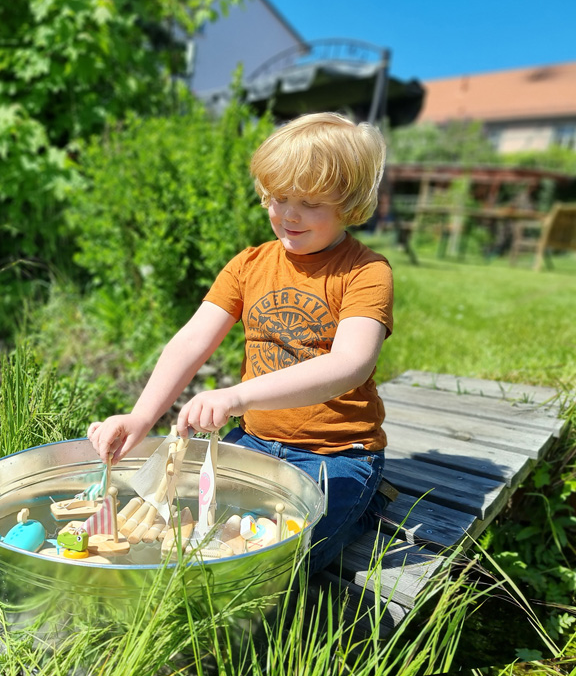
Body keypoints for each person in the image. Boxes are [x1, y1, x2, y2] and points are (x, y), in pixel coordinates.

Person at [87, 112, 392, 573]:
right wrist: (141, 415)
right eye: (279, 197)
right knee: (192, 532)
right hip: (254, 441)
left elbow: (350, 363)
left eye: (309, 202)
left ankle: (362, 505)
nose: (288, 214)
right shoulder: (250, 264)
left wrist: (236, 395)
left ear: (348, 203)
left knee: (280, 559)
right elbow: (191, 340)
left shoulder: (365, 272)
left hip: (336, 455)